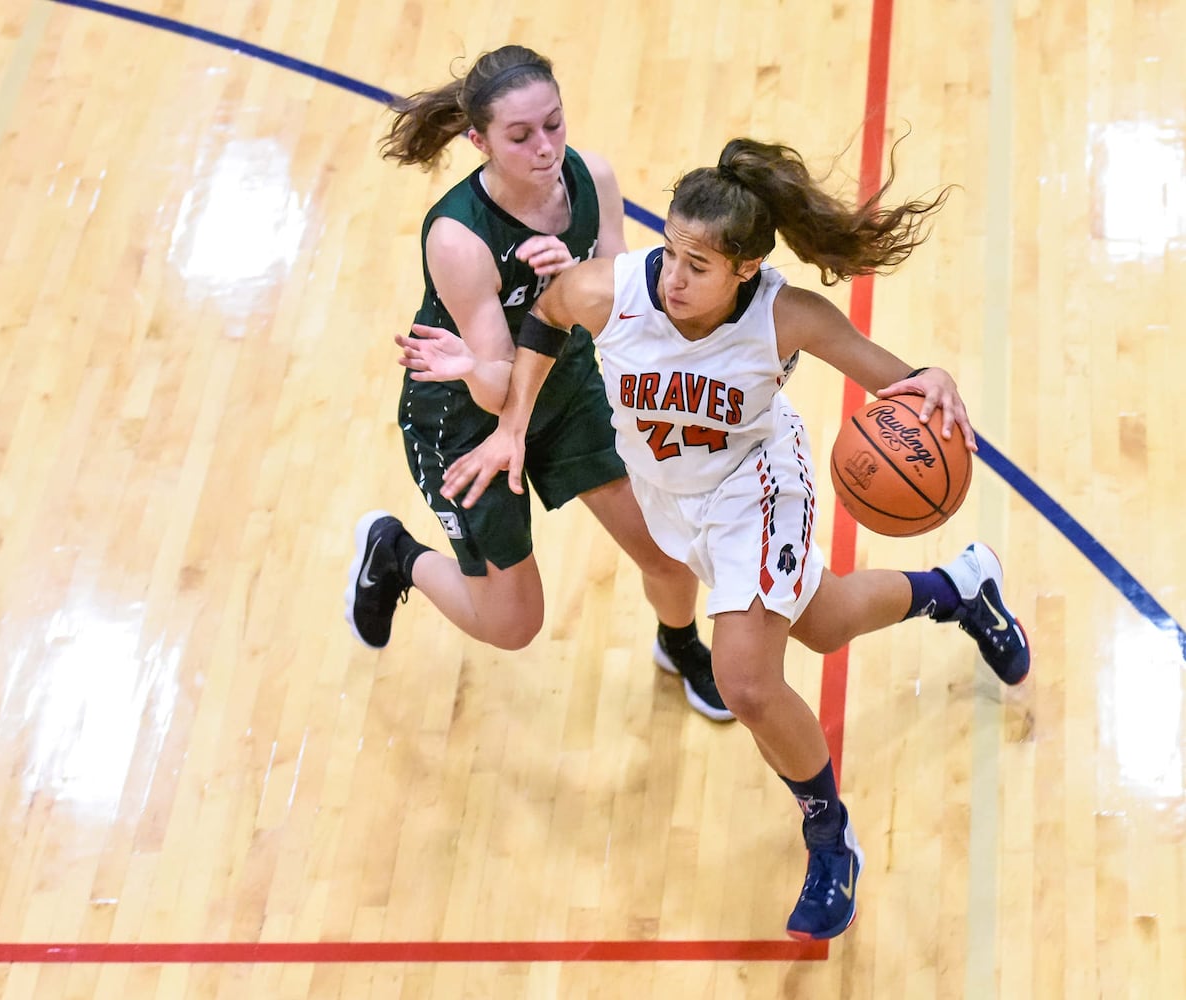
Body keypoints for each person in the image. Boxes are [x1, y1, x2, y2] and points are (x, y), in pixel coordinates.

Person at [404, 136, 1032, 940]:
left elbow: (897, 379)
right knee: (827, 620)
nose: (674, 275)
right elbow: (545, 318)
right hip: (673, 497)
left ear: (745, 269)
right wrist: (513, 426)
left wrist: (934, 377)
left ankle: (831, 841)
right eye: (670, 251)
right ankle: (959, 589)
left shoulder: (785, 317)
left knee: (748, 682)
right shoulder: (609, 290)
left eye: (699, 264)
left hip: (758, 490)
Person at [344, 45, 735, 722]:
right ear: (479, 141)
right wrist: (498, 345)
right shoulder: (458, 238)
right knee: (513, 625)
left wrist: (582, 280)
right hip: (469, 418)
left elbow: (628, 308)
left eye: (554, 123)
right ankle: (395, 554)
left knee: (670, 555)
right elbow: (499, 393)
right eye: (520, 137)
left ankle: (679, 643)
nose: (546, 147)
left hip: (567, 382)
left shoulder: (594, 178)